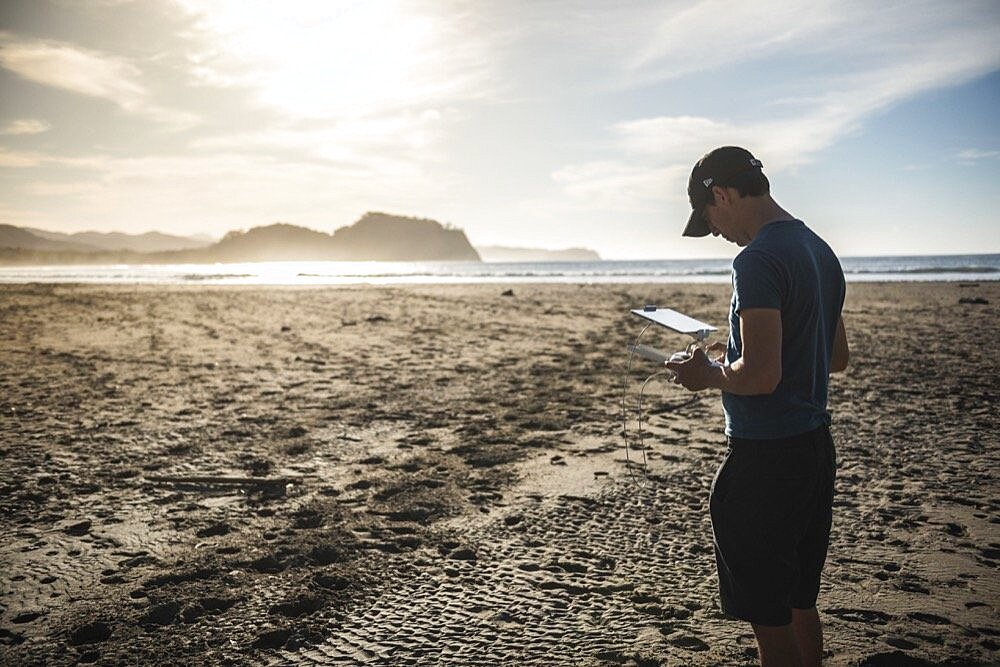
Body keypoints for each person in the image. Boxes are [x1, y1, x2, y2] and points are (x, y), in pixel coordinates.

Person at [665, 146, 849, 667]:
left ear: (721, 194)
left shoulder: (757, 259)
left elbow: (762, 377)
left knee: (768, 621)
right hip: (815, 450)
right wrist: (736, 352)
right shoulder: (819, 249)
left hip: (766, 461)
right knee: (797, 602)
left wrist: (706, 376)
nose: (717, 231)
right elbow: (834, 358)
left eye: (711, 218)